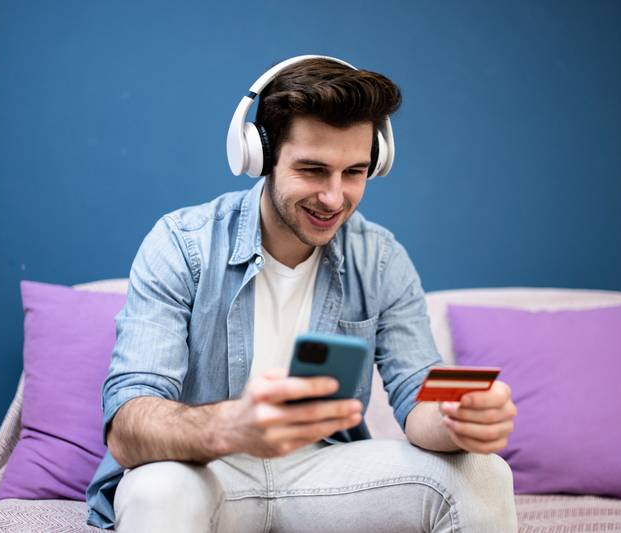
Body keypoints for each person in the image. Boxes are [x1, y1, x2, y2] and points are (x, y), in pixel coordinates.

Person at [85, 55, 519, 532]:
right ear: (260, 157)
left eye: (354, 172)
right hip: (203, 469)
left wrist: (459, 419)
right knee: (156, 489)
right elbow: (128, 424)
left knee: (482, 471)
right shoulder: (181, 244)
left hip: (326, 475)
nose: (334, 198)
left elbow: (419, 400)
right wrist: (233, 424)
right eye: (313, 170)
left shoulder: (380, 258)